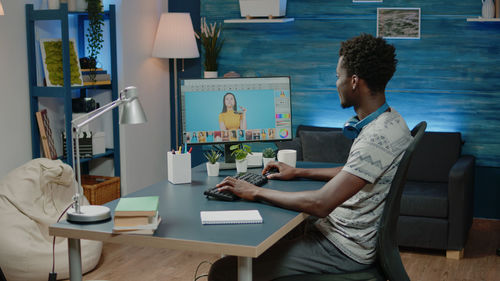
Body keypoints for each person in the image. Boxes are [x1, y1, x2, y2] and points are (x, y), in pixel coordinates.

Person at [208, 34, 412, 281]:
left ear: (355, 81)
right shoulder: (392, 121)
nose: (336, 83)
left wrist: (255, 191)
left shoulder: (375, 136)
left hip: (341, 248)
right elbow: (354, 171)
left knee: (223, 272)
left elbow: (321, 203)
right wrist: (299, 172)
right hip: (346, 236)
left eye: (339, 77)